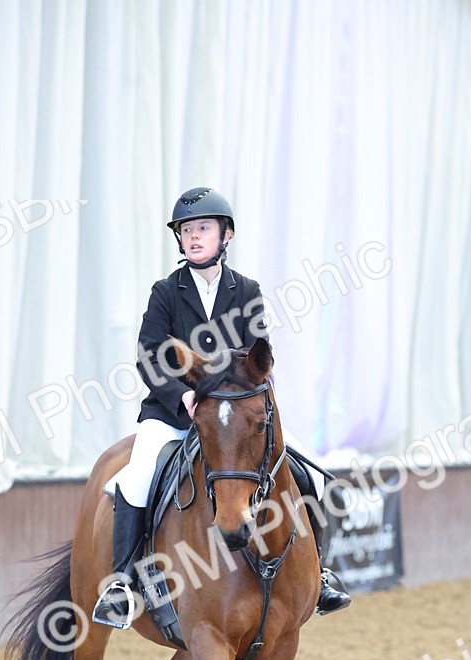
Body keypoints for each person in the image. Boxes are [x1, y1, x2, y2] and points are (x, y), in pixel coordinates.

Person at [92, 186, 351, 628]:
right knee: (135, 479)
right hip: (174, 415)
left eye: (203, 229)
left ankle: (319, 572)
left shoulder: (245, 290)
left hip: (235, 419)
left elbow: (257, 357)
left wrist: (244, 400)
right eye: (187, 231)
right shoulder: (166, 293)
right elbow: (149, 355)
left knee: (310, 476)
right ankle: (123, 584)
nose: (194, 238)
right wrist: (184, 393)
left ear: (224, 235)